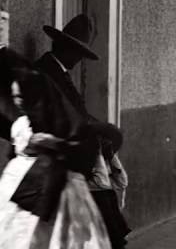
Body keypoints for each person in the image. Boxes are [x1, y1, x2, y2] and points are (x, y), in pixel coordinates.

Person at [0, 46, 115, 248]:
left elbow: (66, 135)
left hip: (47, 181)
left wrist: (54, 144)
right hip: (25, 180)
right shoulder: (21, 119)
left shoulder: (42, 101)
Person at [33, 16, 130, 247]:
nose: (78, 59)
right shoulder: (47, 73)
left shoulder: (58, 72)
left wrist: (101, 132)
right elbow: (63, 119)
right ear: (65, 48)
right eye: (77, 52)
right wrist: (101, 129)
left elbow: (77, 113)